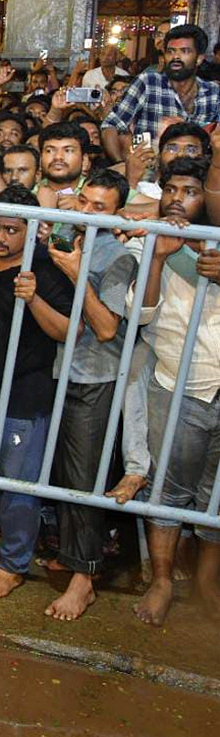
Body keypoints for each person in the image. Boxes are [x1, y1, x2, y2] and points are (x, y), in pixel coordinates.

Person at [0, 185, 74, 598]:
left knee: (18, 485)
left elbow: (69, 330)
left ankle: (13, 566)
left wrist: (33, 300)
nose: (0, 237)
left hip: (25, 394)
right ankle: (13, 543)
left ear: (32, 230)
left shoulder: (45, 268)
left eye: (11, 230)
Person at [43, 168, 137, 621]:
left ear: (118, 213)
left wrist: (79, 273)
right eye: (85, 202)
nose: (88, 212)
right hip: (64, 372)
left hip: (96, 378)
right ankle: (72, 556)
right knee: (66, 476)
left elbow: (104, 329)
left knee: (86, 481)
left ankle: (86, 579)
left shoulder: (119, 257)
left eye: (100, 208)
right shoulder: (67, 234)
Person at [128, 160, 218, 626]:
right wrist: (160, 257)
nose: (178, 198)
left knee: (214, 494)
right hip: (178, 383)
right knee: (170, 487)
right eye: (171, 189)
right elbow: (138, 316)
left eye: (191, 190)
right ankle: (161, 578)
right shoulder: (152, 242)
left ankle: (206, 580)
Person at [101, 24, 220, 163]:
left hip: (196, 178)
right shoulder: (148, 83)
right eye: (170, 51)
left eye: (184, 51)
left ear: (199, 58)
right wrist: (121, 164)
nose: (175, 56)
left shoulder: (213, 93)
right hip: (148, 176)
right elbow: (111, 125)